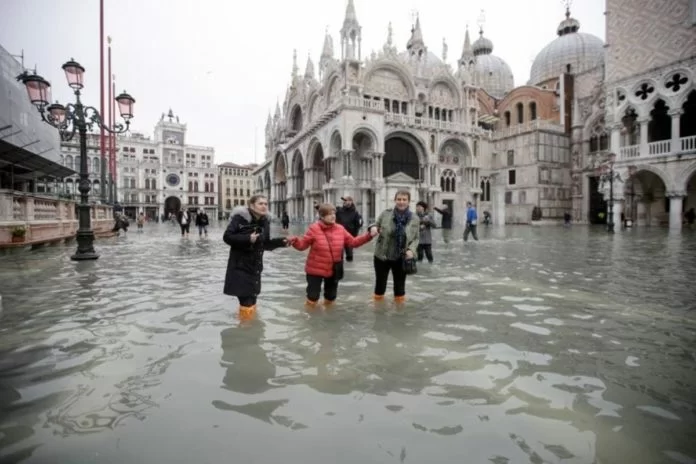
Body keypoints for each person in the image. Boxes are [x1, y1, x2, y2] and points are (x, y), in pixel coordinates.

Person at [289, 203, 377, 308]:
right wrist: (294, 241)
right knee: (313, 297)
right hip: (315, 269)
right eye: (329, 214)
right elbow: (303, 245)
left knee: (331, 297)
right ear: (322, 216)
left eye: (334, 213)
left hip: (333, 269)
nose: (333, 216)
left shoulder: (340, 229)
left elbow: (353, 242)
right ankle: (311, 319)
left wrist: (369, 236)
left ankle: (328, 319)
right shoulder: (314, 229)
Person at [223, 195, 290, 321]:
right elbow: (227, 237)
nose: (264, 206)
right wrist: (247, 239)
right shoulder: (240, 218)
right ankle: (247, 333)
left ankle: (249, 330)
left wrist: (282, 242)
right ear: (252, 205)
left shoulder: (265, 221)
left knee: (252, 301)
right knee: (247, 302)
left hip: (255, 268)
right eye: (260, 203)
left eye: (266, 203)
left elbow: (264, 244)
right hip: (239, 268)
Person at [371, 190, 420, 303]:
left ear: (409, 201)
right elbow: (375, 224)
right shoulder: (386, 214)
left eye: (404, 200)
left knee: (399, 288)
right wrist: (373, 228)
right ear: (395, 200)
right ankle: (378, 311)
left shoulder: (414, 219)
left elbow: (416, 238)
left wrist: (411, 250)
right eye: (399, 199)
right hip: (381, 256)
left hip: (401, 257)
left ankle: (399, 314)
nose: (401, 202)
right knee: (380, 285)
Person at [335, 196, 363, 262]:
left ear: (351, 202)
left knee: (349, 255)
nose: (346, 202)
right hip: (339, 237)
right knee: (339, 256)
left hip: (350, 237)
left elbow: (359, 224)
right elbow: (328, 211)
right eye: (344, 201)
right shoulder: (338, 210)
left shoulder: (355, 213)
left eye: (348, 201)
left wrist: (355, 235)